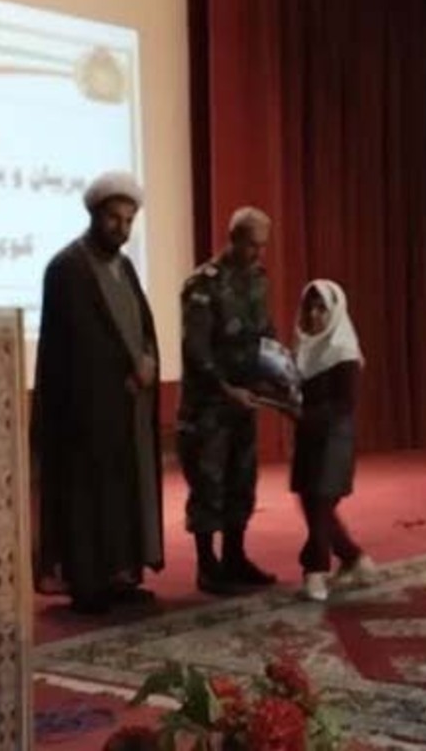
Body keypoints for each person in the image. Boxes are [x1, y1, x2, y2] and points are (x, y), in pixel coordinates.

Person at [31, 171, 163, 615]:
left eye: (128, 221)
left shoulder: (124, 267)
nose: (121, 229)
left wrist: (148, 360)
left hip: (127, 405)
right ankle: (88, 583)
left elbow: (140, 326)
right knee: (89, 495)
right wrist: (119, 375)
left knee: (123, 492)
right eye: (113, 219)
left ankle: (120, 575)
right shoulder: (67, 268)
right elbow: (76, 345)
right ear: (94, 215)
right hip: (85, 410)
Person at [177, 206, 278, 595]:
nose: (259, 253)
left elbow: (265, 334)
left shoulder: (258, 280)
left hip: (245, 401)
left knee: (241, 480)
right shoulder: (203, 285)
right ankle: (207, 565)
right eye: (253, 245)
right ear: (233, 239)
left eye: (263, 246)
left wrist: (274, 376)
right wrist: (226, 390)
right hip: (210, 406)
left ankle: (235, 556)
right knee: (208, 484)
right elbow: (196, 350)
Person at [290, 279, 375, 602]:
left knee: (320, 505)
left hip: (334, 440)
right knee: (311, 503)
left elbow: (344, 405)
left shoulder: (344, 351)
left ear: (336, 311)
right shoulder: (304, 347)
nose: (314, 315)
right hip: (308, 437)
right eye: (309, 308)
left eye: (321, 308)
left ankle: (315, 573)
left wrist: (303, 413)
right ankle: (355, 559)